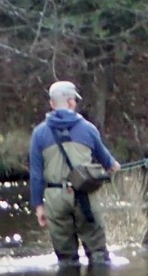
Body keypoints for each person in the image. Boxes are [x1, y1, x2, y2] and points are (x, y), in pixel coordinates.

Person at [30, 80, 121, 266]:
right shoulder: (88, 129)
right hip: (84, 196)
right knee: (98, 255)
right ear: (71, 102)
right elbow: (109, 164)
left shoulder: (39, 134)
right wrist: (114, 167)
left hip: (55, 198)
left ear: (52, 104)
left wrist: (39, 206)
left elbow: (36, 174)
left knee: (66, 260)